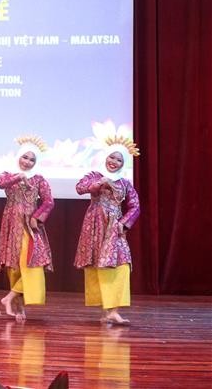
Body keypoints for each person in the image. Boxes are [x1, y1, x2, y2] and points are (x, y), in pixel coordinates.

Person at [74, 136, 140, 325]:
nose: (114, 162)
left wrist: (124, 223)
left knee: (121, 264)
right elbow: (79, 188)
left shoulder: (125, 183)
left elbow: (135, 206)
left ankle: (114, 310)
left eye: (119, 160)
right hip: (94, 225)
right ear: (105, 157)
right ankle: (107, 310)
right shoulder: (94, 175)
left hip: (114, 226)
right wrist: (98, 184)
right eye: (112, 158)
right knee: (99, 264)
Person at [0, 136, 54, 321]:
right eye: (25, 157)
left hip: (30, 224)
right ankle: (19, 307)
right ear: (18, 157)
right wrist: (17, 177)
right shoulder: (7, 174)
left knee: (32, 263)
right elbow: (1, 183)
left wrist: (37, 217)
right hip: (11, 221)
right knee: (14, 266)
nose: (28, 162)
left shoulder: (39, 179)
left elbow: (48, 201)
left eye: (32, 159)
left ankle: (10, 297)